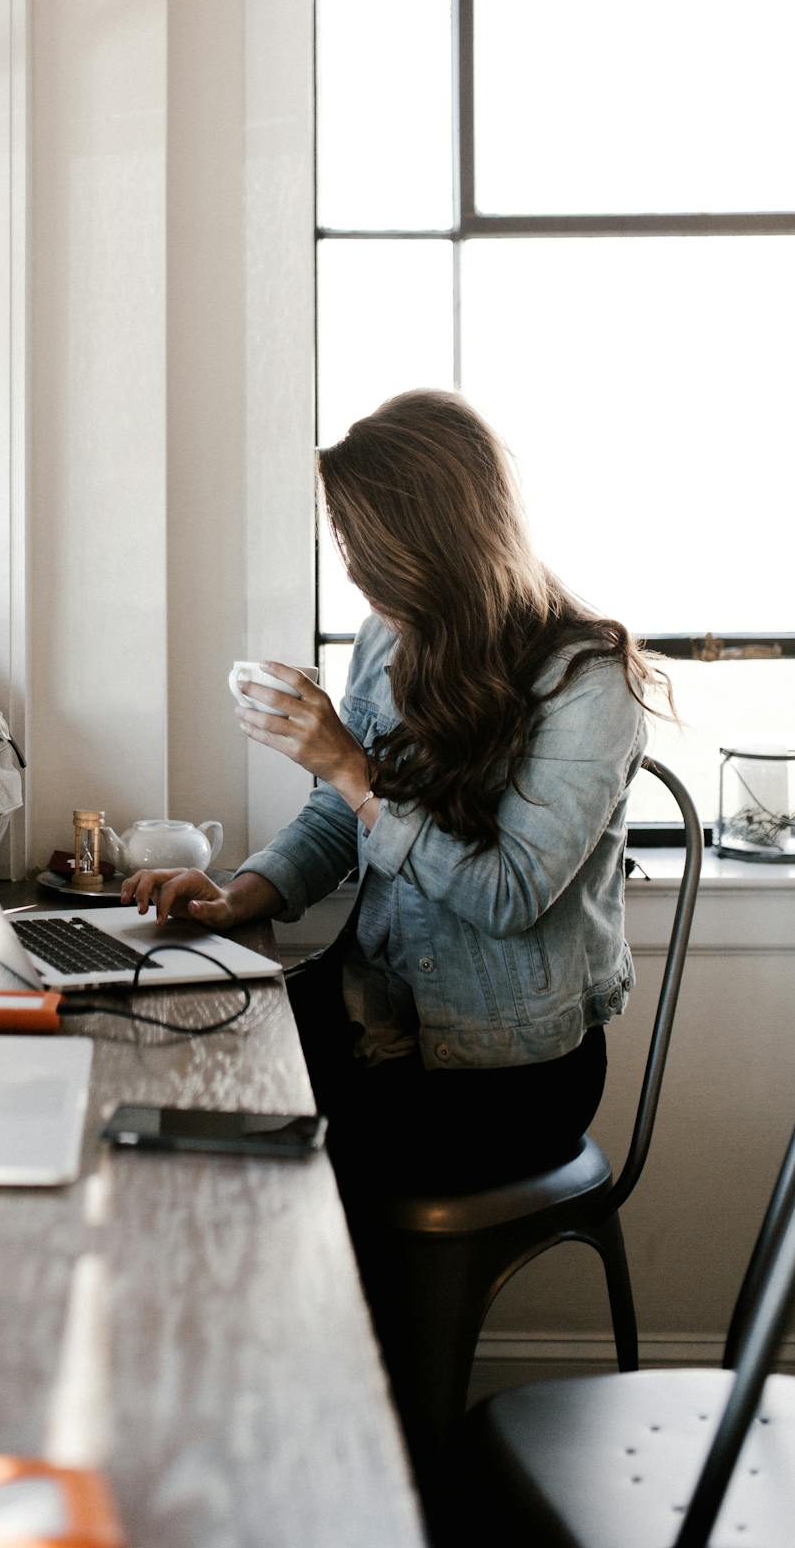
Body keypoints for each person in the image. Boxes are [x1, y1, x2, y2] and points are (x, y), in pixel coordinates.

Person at [120, 390, 667, 1436]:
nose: (353, 566)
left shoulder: (587, 679)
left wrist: (356, 772)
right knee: (183, 1094)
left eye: (361, 540)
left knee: (288, 1172)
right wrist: (243, 892)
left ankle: (352, 1447)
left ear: (433, 536)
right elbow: (340, 812)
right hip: (379, 1011)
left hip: (510, 1068)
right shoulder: (391, 638)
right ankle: (217, 1418)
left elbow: (506, 892)